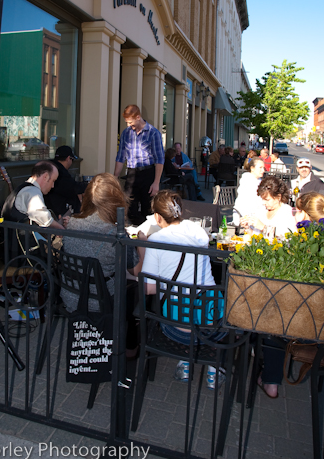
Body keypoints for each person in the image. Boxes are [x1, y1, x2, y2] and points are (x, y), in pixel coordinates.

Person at [139, 190, 224, 389]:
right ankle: (213, 369)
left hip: (177, 328)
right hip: (213, 322)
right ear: (180, 211)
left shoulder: (156, 241)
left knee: (180, 304)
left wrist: (142, 246)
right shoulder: (198, 231)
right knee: (201, 299)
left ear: (158, 217)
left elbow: (149, 289)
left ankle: (186, 362)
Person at [61, 173, 143, 356]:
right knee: (135, 288)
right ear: (116, 200)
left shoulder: (72, 223)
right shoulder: (116, 235)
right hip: (100, 302)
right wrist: (142, 245)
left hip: (71, 296)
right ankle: (129, 348)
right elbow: (136, 269)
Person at [114, 105, 164, 225]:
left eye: (130, 122)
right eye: (126, 122)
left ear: (138, 117)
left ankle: (147, 237)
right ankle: (138, 234)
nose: (128, 125)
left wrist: (156, 182)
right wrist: (115, 177)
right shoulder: (126, 133)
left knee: (148, 209)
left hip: (148, 173)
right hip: (131, 173)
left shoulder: (153, 133)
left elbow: (159, 159)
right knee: (129, 207)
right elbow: (121, 157)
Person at [2, 161, 66, 230]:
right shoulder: (32, 192)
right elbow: (43, 216)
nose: (53, 186)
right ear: (46, 176)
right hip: (14, 239)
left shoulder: (24, 188)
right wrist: (61, 229)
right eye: (53, 181)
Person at [241, 174, 296, 240]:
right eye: (263, 199)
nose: (264, 203)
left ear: (278, 197)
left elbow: (285, 238)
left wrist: (264, 228)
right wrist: (247, 228)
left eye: (267, 200)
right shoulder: (261, 210)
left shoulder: (287, 213)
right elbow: (254, 237)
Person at [44, 145, 87, 216]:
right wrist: (89, 185)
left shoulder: (49, 166)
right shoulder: (60, 172)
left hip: (50, 205)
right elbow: (73, 188)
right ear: (68, 158)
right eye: (72, 160)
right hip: (58, 210)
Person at [232, 156, 265, 226]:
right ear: (252, 168)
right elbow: (251, 202)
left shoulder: (259, 181)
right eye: (260, 167)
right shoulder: (247, 180)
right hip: (245, 213)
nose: (263, 170)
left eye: (263, 168)